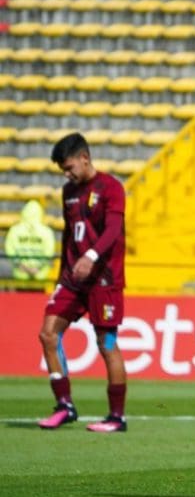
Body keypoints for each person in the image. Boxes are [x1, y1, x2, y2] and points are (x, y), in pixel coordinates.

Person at [37, 132, 128, 433]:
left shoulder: (111, 187)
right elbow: (68, 235)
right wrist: (61, 273)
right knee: (48, 334)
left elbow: (113, 229)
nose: (67, 174)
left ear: (84, 158)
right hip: (73, 279)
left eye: (69, 167)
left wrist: (90, 255)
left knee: (107, 344)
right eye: (63, 170)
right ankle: (64, 405)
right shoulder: (69, 192)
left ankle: (117, 417)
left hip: (104, 279)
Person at [5, 199, 56, 282]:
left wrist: (21, 266)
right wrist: (37, 268)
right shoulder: (47, 232)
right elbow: (49, 252)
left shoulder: (14, 230)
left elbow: (9, 250)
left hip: (20, 274)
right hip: (41, 275)